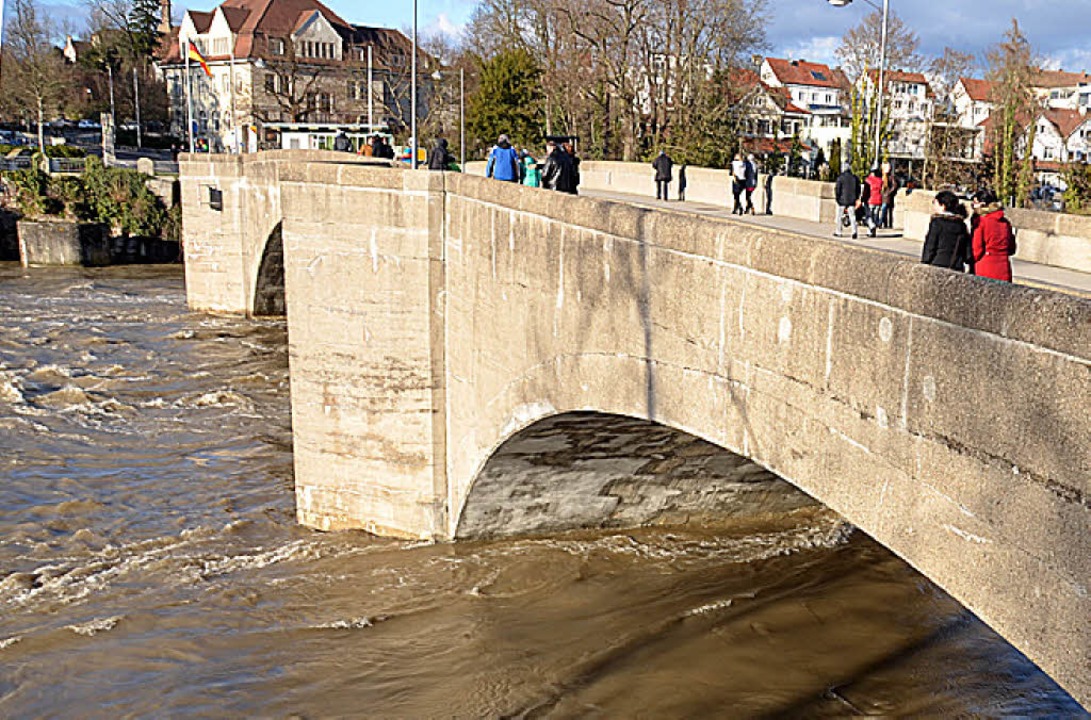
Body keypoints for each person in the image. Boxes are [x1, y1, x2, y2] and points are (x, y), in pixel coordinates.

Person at [970, 189, 1016, 282]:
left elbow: (976, 250)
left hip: (985, 267)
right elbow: (1011, 248)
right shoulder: (1005, 223)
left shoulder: (982, 222)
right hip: (1004, 267)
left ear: (982, 204)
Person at [921, 190, 972, 272]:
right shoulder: (961, 225)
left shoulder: (937, 223)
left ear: (943, 206)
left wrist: (925, 262)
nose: (934, 206)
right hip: (956, 266)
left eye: (935, 203)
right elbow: (967, 252)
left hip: (938, 264)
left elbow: (930, 246)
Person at [833, 167, 861, 239]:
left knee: (839, 216)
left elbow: (837, 190)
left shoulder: (840, 178)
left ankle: (838, 231)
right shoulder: (855, 178)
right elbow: (858, 189)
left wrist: (838, 199)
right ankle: (854, 231)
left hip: (842, 200)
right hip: (852, 200)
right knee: (852, 217)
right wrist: (856, 198)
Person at [864, 167, 884, 237]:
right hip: (878, 200)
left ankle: (872, 227)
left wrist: (863, 199)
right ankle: (872, 233)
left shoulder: (869, 180)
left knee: (869, 216)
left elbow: (865, 191)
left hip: (870, 200)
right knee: (875, 216)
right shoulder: (880, 181)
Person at [880, 162, 899, 229]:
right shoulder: (882, 177)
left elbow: (895, 186)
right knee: (886, 210)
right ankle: (885, 224)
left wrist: (889, 193)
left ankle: (884, 223)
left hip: (887, 196)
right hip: (884, 196)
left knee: (887, 210)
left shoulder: (891, 177)